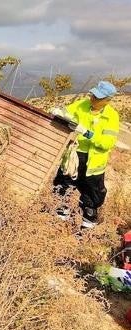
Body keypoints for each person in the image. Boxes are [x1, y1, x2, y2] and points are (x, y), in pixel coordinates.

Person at [52, 80, 120, 229]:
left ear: (108, 100)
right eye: (93, 95)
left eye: (98, 98)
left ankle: (87, 228)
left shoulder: (112, 117)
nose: (93, 99)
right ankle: (59, 222)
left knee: (91, 196)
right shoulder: (82, 104)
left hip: (94, 163)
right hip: (74, 156)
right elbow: (66, 112)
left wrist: (88, 133)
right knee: (64, 186)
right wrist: (59, 113)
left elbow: (107, 143)